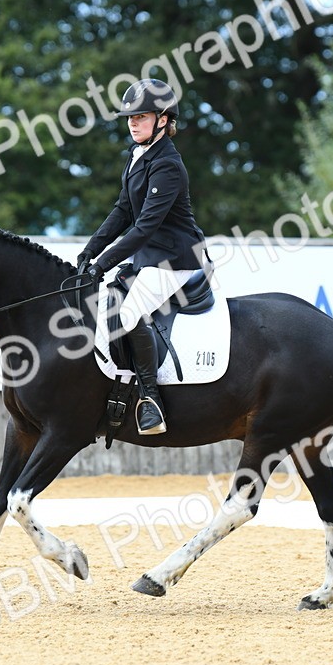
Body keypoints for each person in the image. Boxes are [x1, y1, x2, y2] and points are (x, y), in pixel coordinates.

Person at [77, 78, 210, 436]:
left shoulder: (168, 165)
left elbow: (145, 227)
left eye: (141, 116)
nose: (132, 122)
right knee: (106, 304)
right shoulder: (139, 157)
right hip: (150, 259)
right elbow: (122, 212)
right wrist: (90, 249)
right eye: (129, 117)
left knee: (127, 311)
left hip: (178, 261)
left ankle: (151, 399)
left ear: (163, 120)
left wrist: (103, 263)